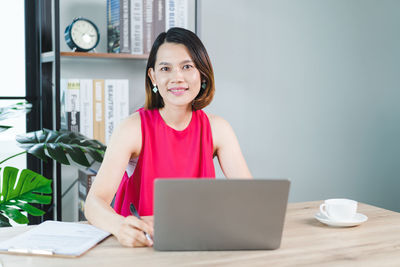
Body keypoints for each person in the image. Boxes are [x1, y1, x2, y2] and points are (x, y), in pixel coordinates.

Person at [85, 27, 252, 248]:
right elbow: (94, 203)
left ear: (202, 73)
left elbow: (251, 198)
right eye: (166, 68)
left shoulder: (218, 129)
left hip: (197, 245)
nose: (177, 77)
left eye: (187, 67)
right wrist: (119, 226)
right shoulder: (132, 129)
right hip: (141, 247)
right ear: (153, 76)